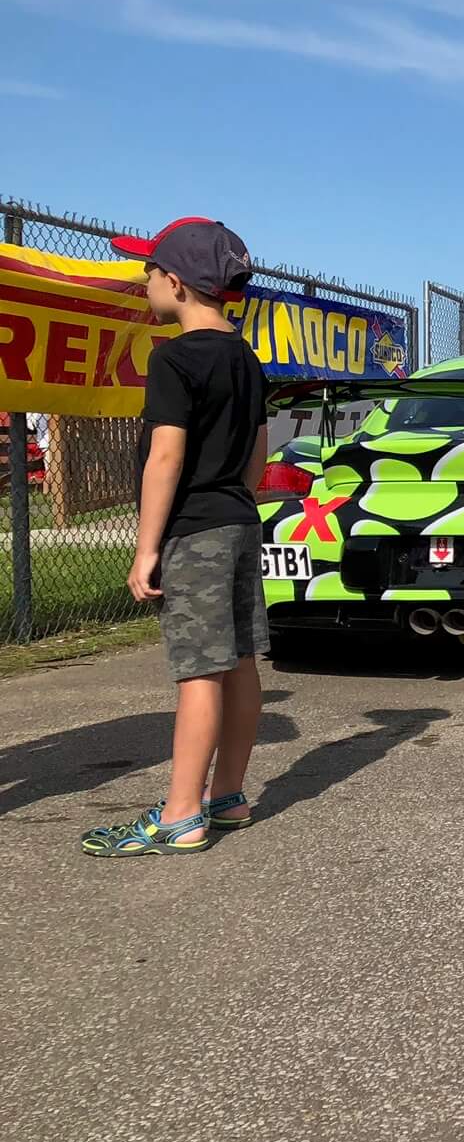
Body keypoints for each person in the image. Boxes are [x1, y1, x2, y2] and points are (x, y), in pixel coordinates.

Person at [82, 218, 268, 857]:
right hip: (239, 521)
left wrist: (146, 548)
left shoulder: (174, 358)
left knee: (199, 672)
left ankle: (182, 813)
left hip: (194, 530)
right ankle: (229, 794)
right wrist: (238, 496)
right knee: (240, 661)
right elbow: (257, 448)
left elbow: (166, 456)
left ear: (178, 283)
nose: (145, 283)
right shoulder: (246, 358)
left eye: (150, 272)